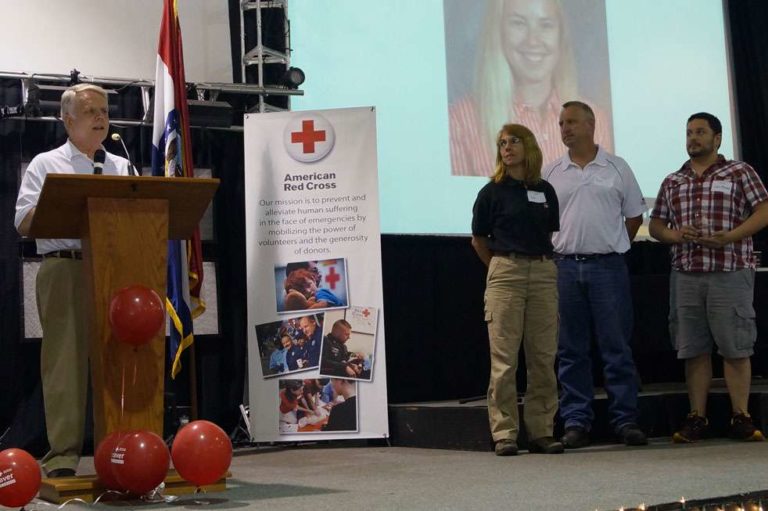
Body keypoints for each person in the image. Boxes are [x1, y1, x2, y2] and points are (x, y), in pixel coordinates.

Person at [14, 83, 131, 477]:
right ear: (68, 120)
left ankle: (117, 448)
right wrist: (60, 203)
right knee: (64, 363)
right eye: (91, 111)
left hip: (114, 269)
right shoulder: (46, 165)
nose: (101, 118)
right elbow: (22, 222)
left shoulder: (120, 165)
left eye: (104, 110)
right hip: (65, 268)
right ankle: (63, 455)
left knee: (118, 359)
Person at [649, 112, 768, 443]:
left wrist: (730, 237)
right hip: (686, 273)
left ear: (717, 138)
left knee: (735, 346)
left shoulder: (739, 172)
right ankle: (696, 418)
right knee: (694, 348)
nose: (693, 138)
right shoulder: (674, 180)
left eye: (700, 132)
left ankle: (740, 415)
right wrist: (676, 235)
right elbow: (657, 225)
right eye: (689, 132)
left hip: (729, 269)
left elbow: (764, 211)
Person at [543, 101, 647, 448]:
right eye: (560, 123)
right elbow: (543, 222)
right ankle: (576, 421)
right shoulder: (552, 171)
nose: (564, 128)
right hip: (564, 266)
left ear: (591, 124)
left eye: (571, 122)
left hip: (608, 267)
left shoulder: (617, 167)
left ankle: (626, 420)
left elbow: (634, 217)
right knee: (570, 348)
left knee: (616, 345)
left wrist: (612, 244)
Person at [471, 123, 563, 456]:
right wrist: (500, 268)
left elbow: (549, 233)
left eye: (513, 141)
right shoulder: (491, 191)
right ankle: (505, 433)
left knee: (542, 357)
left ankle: (542, 430)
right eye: (501, 143)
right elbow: (479, 240)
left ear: (528, 146)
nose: (507, 147)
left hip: (542, 271)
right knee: (505, 360)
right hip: (505, 271)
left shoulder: (545, 190)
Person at [449, 0, 613, 176]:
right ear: (499, 32)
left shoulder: (594, 121)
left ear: (561, 35)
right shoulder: (460, 123)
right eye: (518, 23)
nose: (533, 40)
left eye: (546, 25)